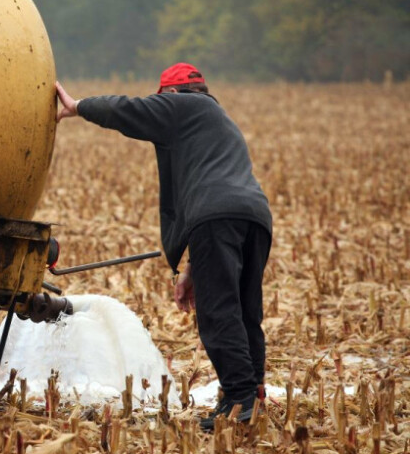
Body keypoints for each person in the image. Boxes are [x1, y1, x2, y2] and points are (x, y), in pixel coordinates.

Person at [55, 63, 272, 431]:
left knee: (218, 312)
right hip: (253, 216)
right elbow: (217, 195)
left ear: (170, 95)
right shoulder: (218, 121)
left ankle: (240, 399)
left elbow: (127, 110)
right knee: (244, 310)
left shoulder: (184, 106)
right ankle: (253, 392)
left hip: (216, 217)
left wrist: (79, 107)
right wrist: (191, 267)